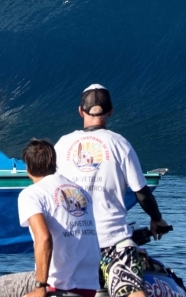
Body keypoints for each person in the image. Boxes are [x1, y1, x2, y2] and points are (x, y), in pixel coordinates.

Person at [54, 85, 169, 297]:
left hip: (73, 245)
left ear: (81, 111)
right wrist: (157, 219)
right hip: (114, 242)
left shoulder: (61, 145)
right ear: (111, 111)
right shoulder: (120, 144)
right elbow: (141, 192)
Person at [0, 140, 100, 297]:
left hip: (57, 284)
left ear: (27, 167)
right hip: (89, 285)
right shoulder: (81, 192)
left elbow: (43, 238)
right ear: (54, 163)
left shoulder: (33, 194)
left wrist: (40, 287)